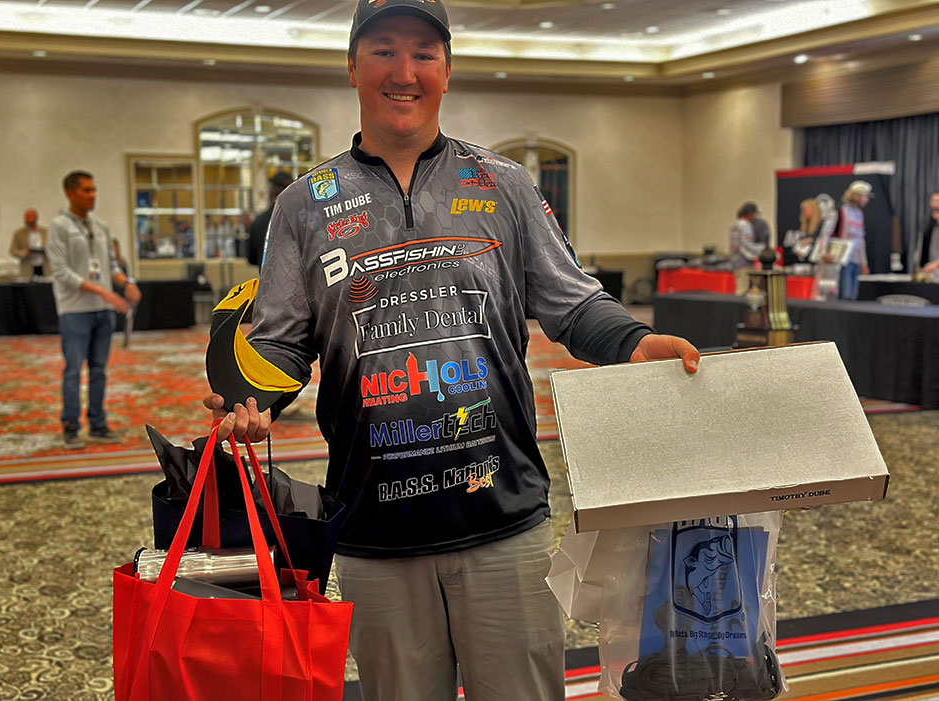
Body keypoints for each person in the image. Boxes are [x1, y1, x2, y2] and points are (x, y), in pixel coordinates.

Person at [204, 2, 700, 699]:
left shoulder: (503, 183)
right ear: (352, 67)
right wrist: (253, 399)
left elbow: (571, 300)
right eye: (383, 50)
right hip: (375, 528)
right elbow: (282, 339)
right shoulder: (303, 205)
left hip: (503, 519)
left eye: (423, 53)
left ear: (446, 69)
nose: (403, 72)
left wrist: (633, 340)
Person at [46, 171, 141, 448]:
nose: (92, 195)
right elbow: (62, 273)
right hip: (74, 310)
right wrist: (104, 292)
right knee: (74, 369)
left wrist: (126, 284)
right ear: (70, 193)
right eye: (86, 190)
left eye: (94, 189)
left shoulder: (101, 226)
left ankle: (98, 423)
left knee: (99, 369)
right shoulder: (59, 227)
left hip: (103, 310)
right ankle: (71, 425)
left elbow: (111, 265)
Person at [818, 180, 871, 300]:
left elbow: (861, 240)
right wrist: (823, 253)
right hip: (842, 261)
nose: (866, 199)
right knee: (845, 295)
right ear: (856, 195)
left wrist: (864, 263)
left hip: (856, 261)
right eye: (865, 196)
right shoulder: (839, 211)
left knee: (853, 295)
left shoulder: (859, 214)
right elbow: (826, 233)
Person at [247, 171, 294, 267]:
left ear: (272, 189)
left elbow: (251, 258)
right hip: (293, 274)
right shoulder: (298, 219)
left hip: (266, 274)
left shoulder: (259, 221)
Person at [729, 201, 766, 294]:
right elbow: (746, 243)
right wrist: (761, 249)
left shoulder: (735, 223)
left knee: (744, 286)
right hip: (744, 262)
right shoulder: (745, 225)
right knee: (742, 289)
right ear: (750, 214)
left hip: (736, 260)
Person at [10, 208, 50, 280]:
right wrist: (22, 253)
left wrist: (47, 250)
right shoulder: (19, 233)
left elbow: (53, 247)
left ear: (36, 218)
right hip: (27, 268)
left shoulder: (46, 232)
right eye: (27, 218)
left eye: (31, 217)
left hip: (44, 267)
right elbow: (13, 250)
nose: (29, 220)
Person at [913, 190, 939, 276]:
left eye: (937, 200)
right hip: (925, 270)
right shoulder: (926, 223)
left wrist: (936, 264)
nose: (935, 203)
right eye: (934, 200)